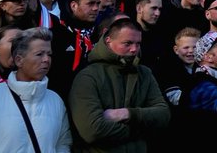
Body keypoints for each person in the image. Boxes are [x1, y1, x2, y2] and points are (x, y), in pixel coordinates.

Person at [67, 17, 171, 151]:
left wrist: (127, 114)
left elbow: (163, 115)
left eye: (138, 43)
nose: (134, 49)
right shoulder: (88, 77)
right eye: (127, 43)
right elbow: (92, 130)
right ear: (108, 41)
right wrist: (141, 131)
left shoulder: (144, 73)